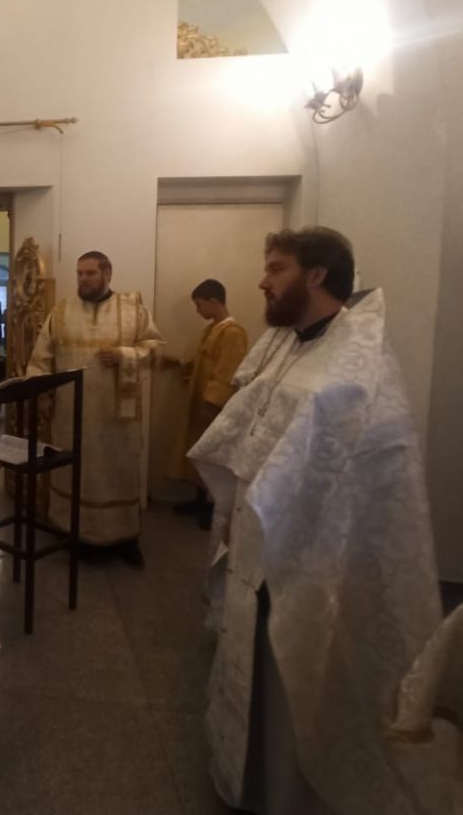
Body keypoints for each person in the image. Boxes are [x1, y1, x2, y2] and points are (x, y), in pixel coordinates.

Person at [190, 227, 443, 815]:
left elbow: (371, 466)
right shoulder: (288, 344)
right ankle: (243, 776)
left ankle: (281, 791)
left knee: (290, 676)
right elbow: (253, 432)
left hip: (309, 554)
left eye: (275, 268)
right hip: (255, 535)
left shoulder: (358, 365)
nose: (262, 281)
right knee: (250, 659)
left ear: (317, 275)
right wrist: (233, 509)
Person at [26, 250, 164, 565]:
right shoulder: (61, 311)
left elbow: (156, 351)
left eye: (90, 273)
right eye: (80, 273)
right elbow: (41, 358)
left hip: (116, 419)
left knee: (118, 473)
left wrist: (125, 355)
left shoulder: (133, 310)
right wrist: (42, 394)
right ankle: (73, 532)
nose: (83, 279)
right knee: (74, 473)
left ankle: (125, 537)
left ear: (107, 273)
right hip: (70, 416)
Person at [168, 279, 248, 529]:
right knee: (199, 451)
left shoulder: (232, 332)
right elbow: (202, 362)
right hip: (201, 402)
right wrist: (180, 364)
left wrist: (212, 402)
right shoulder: (212, 329)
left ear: (214, 302)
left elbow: (227, 371)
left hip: (214, 406)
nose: (197, 310)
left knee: (213, 454)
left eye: (199, 305)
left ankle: (214, 506)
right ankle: (200, 498)